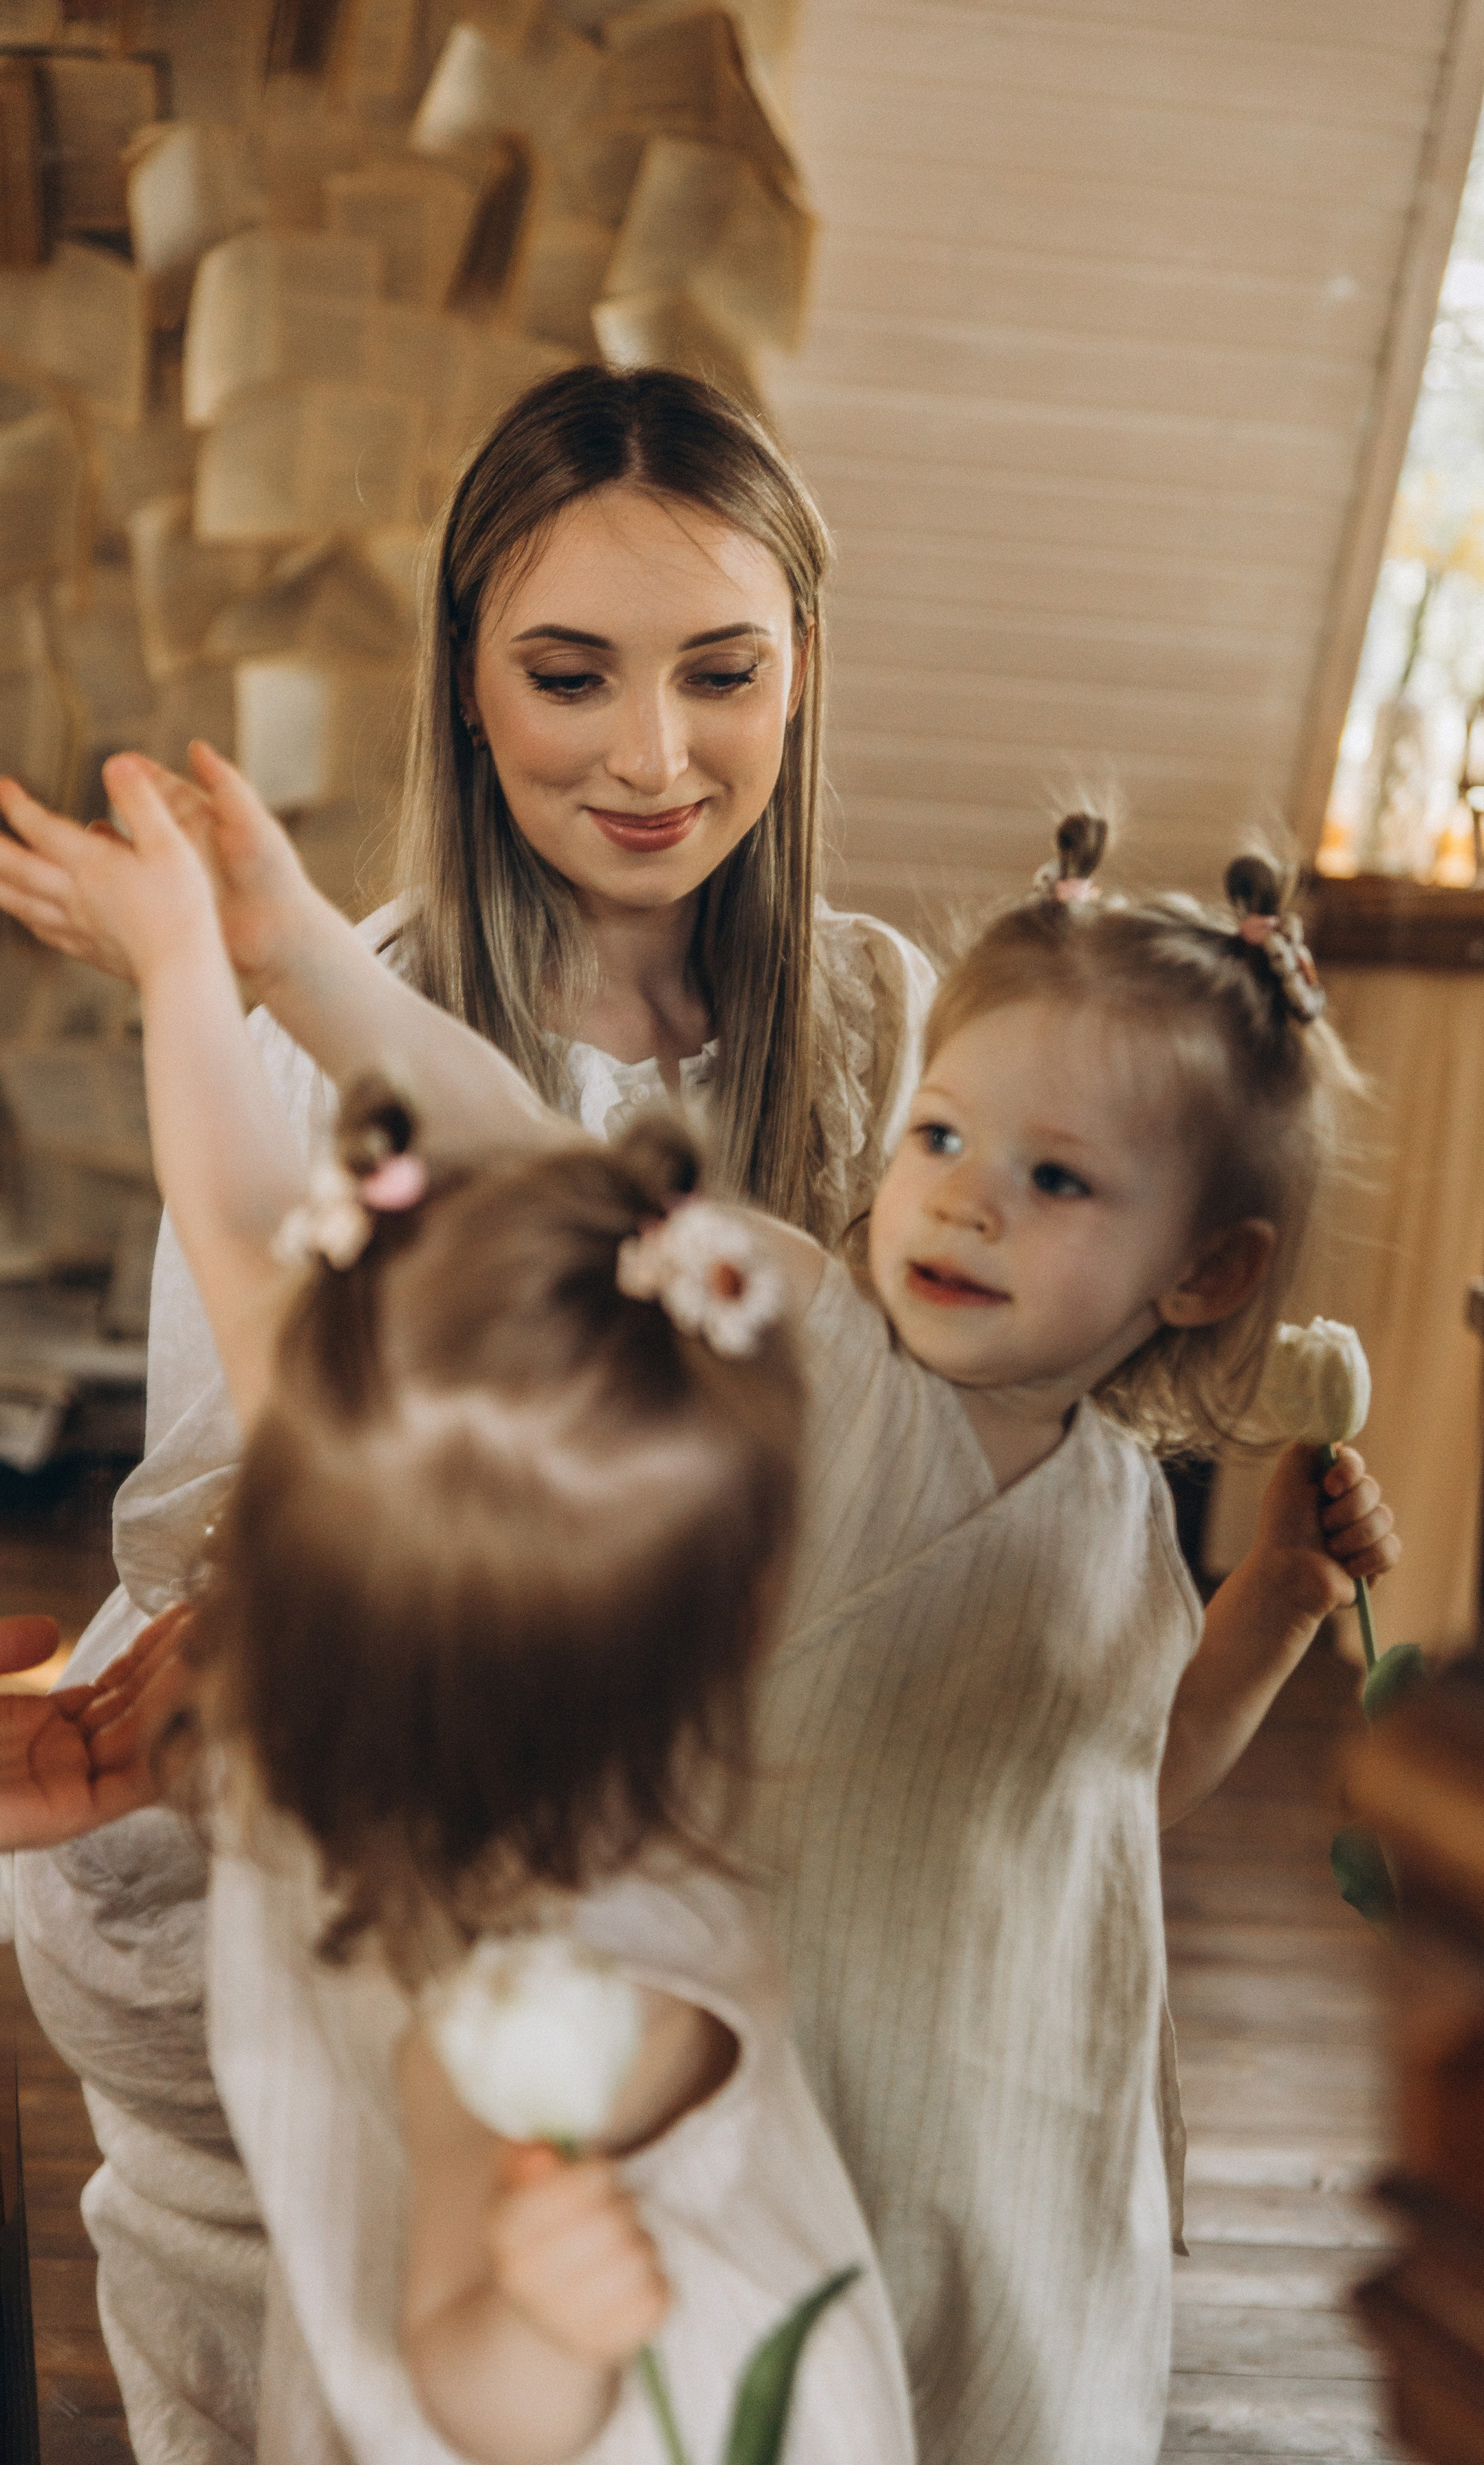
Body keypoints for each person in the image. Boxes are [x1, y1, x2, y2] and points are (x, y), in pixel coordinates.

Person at [0, 765, 1398, 2465]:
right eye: (940, 1136)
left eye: (1057, 1180)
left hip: (1001, 2170)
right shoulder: (789, 1340)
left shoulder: (1120, 1530)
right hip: (743, 2121)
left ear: (1208, 1272)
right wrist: (291, 956)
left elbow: (1112, 1794)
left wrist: (1269, 1605)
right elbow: (514, 1137)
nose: (960, 1197)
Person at [0, 367, 933, 2464]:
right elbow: (258, 1418)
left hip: (749, 1801)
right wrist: (212, 989)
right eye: (571, 675)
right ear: (467, 680)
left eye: (721, 674)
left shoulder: (876, 1015)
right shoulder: (334, 1026)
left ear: (803, 669)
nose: (652, 755)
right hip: (415, 1772)